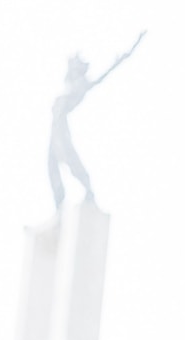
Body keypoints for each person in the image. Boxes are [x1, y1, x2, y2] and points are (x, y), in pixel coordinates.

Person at [48, 31, 145, 210]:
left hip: (60, 129)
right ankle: (59, 208)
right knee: (52, 169)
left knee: (70, 161)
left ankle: (88, 191)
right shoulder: (69, 84)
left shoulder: (81, 85)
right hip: (54, 130)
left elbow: (106, 72)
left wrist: (128, 52)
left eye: (73, 64)